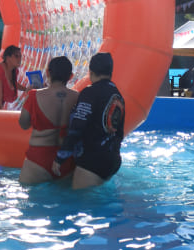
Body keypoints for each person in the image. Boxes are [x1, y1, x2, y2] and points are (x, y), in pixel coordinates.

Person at [52, 51, 125, 190]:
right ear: (110, 72)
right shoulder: (118, 95)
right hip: (112, 160)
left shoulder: (90, 92)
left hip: (92, 161)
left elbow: (77, 127)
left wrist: (61, 157)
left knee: (82, 200)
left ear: (91, 72)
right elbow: (119, 133)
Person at [18, 56, 79, 185]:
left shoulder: (34, 96)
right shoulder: (78, 97)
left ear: (47, 73)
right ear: (71, 76)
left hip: (37, 160)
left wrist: (26, 98)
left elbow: (23, 124)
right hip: (66, 160)